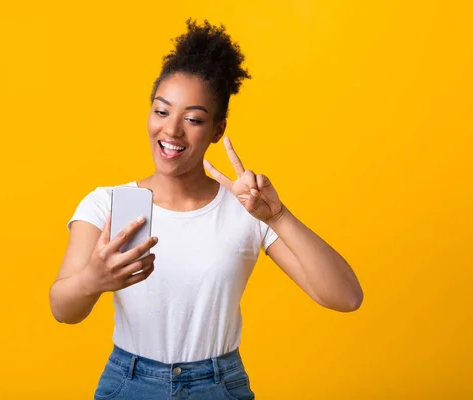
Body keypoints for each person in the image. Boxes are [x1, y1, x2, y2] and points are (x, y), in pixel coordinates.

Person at [49, 18, 363, 400]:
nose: (172, 131)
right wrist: (93, 279)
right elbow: (63, 309)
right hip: (129, 383)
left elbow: (346, 298)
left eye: (194, 119)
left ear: (217, 130)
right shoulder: (105, 203)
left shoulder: (247, 210)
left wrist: (278, 216)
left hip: (219, 385)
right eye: (162, 111)